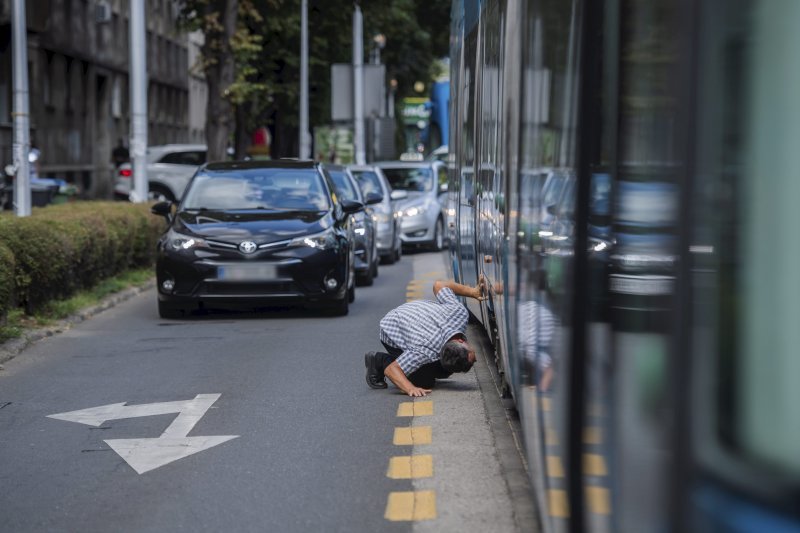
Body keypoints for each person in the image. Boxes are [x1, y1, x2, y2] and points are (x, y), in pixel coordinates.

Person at [365, 277, 487, 397]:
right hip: (391, 328)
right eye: (472, 352)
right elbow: (392, 370)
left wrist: (473, 292)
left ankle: (426, 369)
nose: (475, 360)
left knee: (439, 370)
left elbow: (439, 285)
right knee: (424, 382)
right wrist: (410, 388)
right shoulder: (424, 350)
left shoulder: (459, 313)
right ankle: (378, 360)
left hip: (413, 316)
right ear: (460, 340)